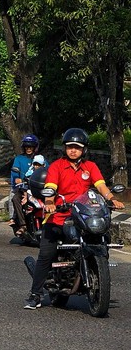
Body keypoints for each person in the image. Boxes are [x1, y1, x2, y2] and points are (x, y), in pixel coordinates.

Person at [24, 128, 124, 309]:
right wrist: (49, 202)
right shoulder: (56, 166)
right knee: (47, 252)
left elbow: (100, 185)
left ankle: (96, 272)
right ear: (65, 148)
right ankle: (35, 294)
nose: (73, 150)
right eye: (70, 147)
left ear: (84, 149)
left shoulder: (90, 167)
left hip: (82, 214)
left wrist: (111, 199)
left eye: (77, 147)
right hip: (59, 215)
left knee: (103, 237)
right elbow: (51, 187)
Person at [8, 134, 39, 232]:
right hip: (23, 188)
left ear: (35, 147)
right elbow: (15, 172)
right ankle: (22, 224)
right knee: (15, 198)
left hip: (37, 188)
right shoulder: (19, 159)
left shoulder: (39, 159)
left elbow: (49, 170)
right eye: (26, 147)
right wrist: (17, 179)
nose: (28, 149)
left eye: (31, 147)